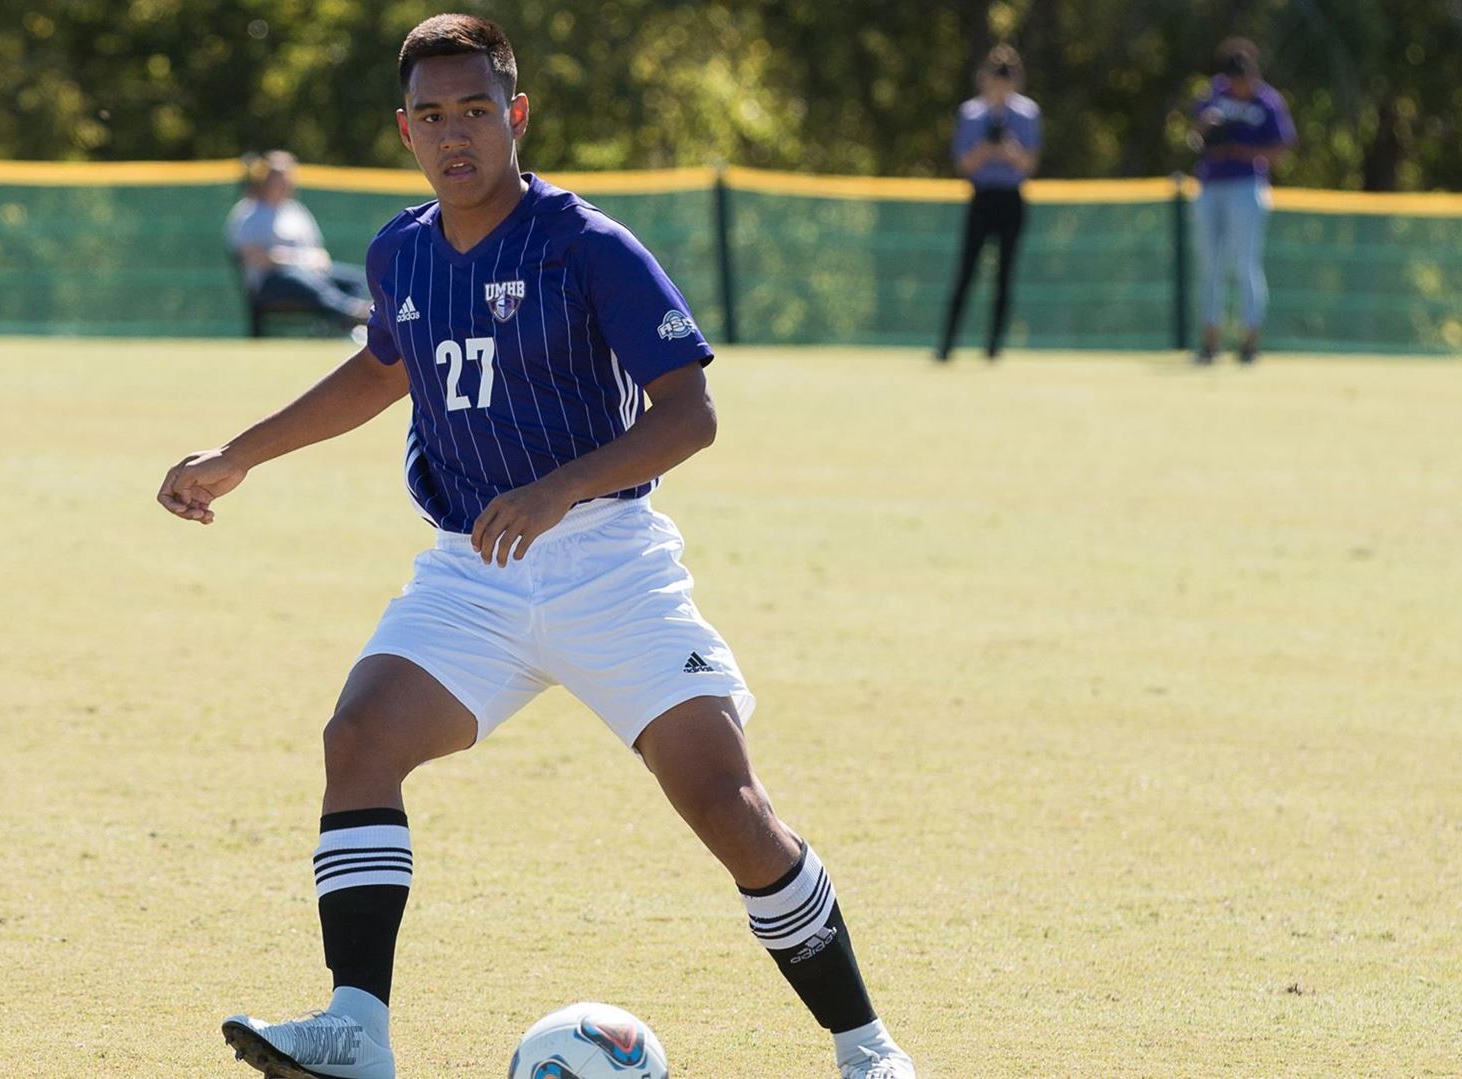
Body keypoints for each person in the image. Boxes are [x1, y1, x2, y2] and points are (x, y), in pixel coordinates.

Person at [162, 14, 915, 1079]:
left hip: (609, 562)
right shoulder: (402, 250)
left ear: (516, 115)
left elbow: (689, 412)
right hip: (472, 571)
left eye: (476, 110)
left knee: (727, 808)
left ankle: (868, 1046)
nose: (455, 133)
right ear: (406, 129)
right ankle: (355, 1028)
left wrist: (559, 487)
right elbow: (382, 371)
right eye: (433, 116)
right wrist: (239, 453)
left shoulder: (587, 243)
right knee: (360, 738)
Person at [1188, 38, 1295, 365]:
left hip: (1247, 185)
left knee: (1245, 263)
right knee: (1210, 265)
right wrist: (1206, 130)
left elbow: (1283, 147)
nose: (1238, 86)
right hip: (1210, 184)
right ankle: (1210, 341)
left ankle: (1249, 341)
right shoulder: (1215, 93)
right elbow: (1194, 136)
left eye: (1243, 79)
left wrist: (1240, 151)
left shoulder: (1267, 101)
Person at [936, 45, 1040, 362]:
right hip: (981, 198)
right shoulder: (971, 113)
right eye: (995, 77)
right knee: (965, 272)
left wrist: (1008, 149)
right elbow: (965, 165)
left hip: (1011, 200)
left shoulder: (1027, 113)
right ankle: (947, 345)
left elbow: (1028, 165)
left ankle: (994, 347)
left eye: (1006, 78)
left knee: (1004, 277)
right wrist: (985, 148)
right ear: (984, 79)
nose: (999, 85)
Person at [226, 149, 374, 330]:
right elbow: (255, 257)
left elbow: (319, 252)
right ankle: (354, 312)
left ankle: (357, 330)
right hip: (272, 282)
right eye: (276, 176)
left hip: (311, 273)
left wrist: (315, 261)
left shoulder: (296, 211)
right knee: (299, 277)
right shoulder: (248, 212)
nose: (282, 182)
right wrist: (295, 260)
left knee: (355, 278)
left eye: (286, 176)